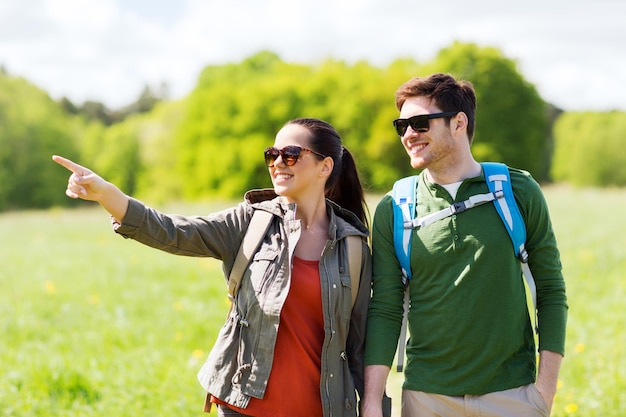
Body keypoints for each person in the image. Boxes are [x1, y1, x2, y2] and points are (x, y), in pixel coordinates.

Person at [53, 117, 372, 417]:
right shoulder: (250, 222)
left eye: (290, 154)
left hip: (321, 408)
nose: (276, 163)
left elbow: (359, 346)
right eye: (271, 154)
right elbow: (173, 230)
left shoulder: (354, 247)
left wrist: (374, 405)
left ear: (325, 166)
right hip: (244, 405)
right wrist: (107, 194)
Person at [362, 73, 568, 417]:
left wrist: (543, 393)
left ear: (459, 123)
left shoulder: (517, 192)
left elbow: (551, 291)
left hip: (512, 395)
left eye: (420, 123)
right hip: (426, 398)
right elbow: (386, 307)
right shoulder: (394, 208)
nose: (409, 135)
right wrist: (371, 401)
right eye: (402, 126)